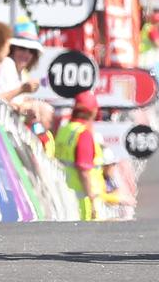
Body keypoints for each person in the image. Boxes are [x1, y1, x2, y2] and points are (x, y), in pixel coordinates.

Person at [54, 91, 104, 220]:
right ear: (93, 111)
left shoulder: (65, 130)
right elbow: (84, 171)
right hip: (83, 201)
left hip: (64, 195)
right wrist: (92, 200)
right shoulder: (83, 134)